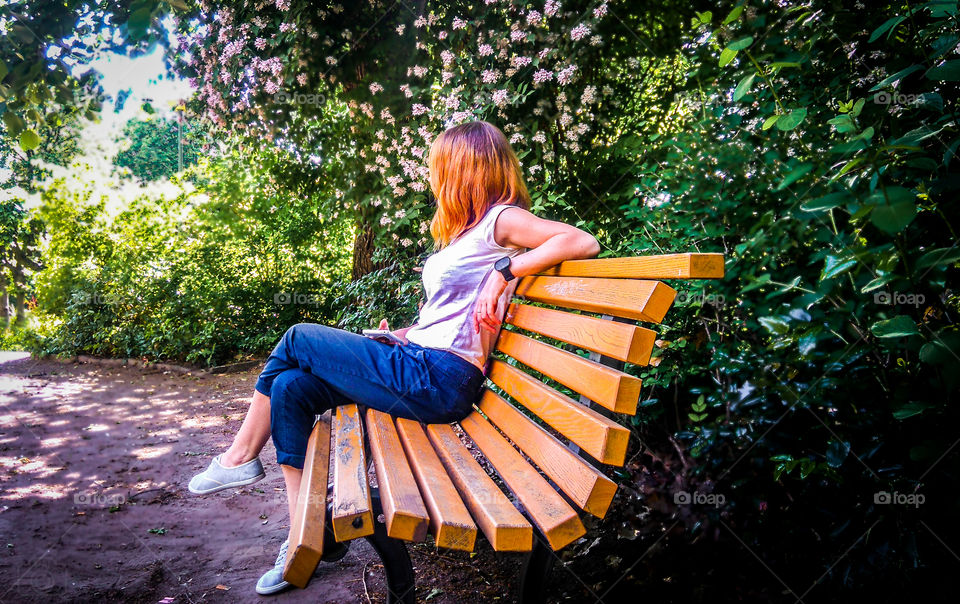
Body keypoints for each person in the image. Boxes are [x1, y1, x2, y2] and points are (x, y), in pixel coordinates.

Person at [187, 120, 601, 595]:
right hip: (419, 361)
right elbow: (449, 319)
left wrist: (506, 270)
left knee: (298, 337)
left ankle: (240, 457)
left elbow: (582, 240)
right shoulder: (467, 234)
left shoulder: (501, 219)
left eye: (439, 167)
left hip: (439, 380)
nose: (433, 177)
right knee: (291, 388)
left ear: (465, 168)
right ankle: (304, 533)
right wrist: (400, 335)